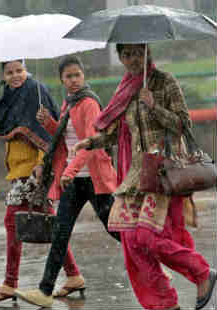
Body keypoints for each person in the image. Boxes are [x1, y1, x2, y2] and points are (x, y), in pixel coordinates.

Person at [70, 44, 216, 310]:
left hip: (162, 171)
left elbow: (184, 124)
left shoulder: (164, 82)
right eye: (127, 55)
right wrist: (90, 143)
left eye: (138, 53)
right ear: (121, 57)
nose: (133, 59)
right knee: (131, 244)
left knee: (148, 238)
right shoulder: (124, 89)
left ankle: (203, 273)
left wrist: (154, 106)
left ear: (148, 53)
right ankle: (164, 304)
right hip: (135, 175)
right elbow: (117, 133)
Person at [14, 56, 120, 307]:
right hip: (73, 180)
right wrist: (49, 123)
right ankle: (45, 291)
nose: (73, 80)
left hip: (93, 179)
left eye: (77, 75)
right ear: (61, 79)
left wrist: (69, 171)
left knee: (116, 229)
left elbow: (90, 144)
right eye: (68, 76)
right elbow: (66, 140)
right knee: (60, 235)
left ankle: (155, 263)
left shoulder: (89, 102)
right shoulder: (68, 103)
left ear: (83, 76)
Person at [0, 60, 82, 302]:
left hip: (34, 170)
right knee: (51, 224)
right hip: (17, 170)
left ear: (27, 70)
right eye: (10, 72)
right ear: (3, 75)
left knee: (12, 222)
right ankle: (74, 275)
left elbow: (48, 133)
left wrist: (42, 164)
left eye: (19, 71)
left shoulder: (36, 91)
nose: (16, 76)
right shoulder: (6, 97)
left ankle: (9, 282)